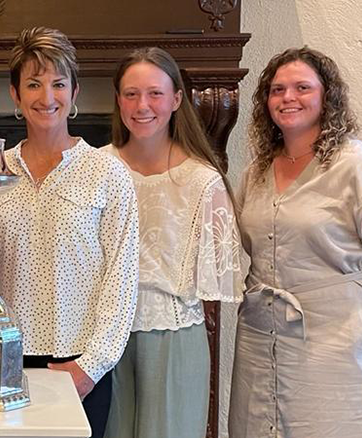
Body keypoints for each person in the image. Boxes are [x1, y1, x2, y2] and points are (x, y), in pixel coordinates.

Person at [0, 27, 139, 438]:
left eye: (58, 84)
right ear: (15, 94)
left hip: (80, 365)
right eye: (33, 84)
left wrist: (91, 367)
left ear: (75, 92)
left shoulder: (107, 173)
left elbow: (122, 277)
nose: (47, 98)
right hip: (4, 365)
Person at [229, 47, 362, 438]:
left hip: (336, 334)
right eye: (277, 90)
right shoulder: (256, 171)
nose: (288, 98)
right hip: (260, 332)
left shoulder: (356, 164)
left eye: (302, 87)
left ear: (327, 97)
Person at [100, 47, 242, 438]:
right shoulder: (96, 170)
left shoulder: (202, 182)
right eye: (131, 94)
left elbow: (215, 281)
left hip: (173, 336)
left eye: (155, 93)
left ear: (177, 99)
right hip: (100, 340)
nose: (142, 105)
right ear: (118, 100)